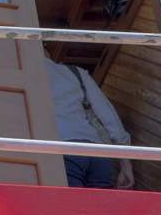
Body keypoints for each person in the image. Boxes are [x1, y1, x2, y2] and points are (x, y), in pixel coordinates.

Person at [43, 45, 134, 189]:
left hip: (62, 152)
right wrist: (126, 165)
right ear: (46, 51)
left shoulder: (21, 78)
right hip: (95, 151)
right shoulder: (75, 72)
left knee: (71, 208)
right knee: (101, 208)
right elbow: (109, 116)